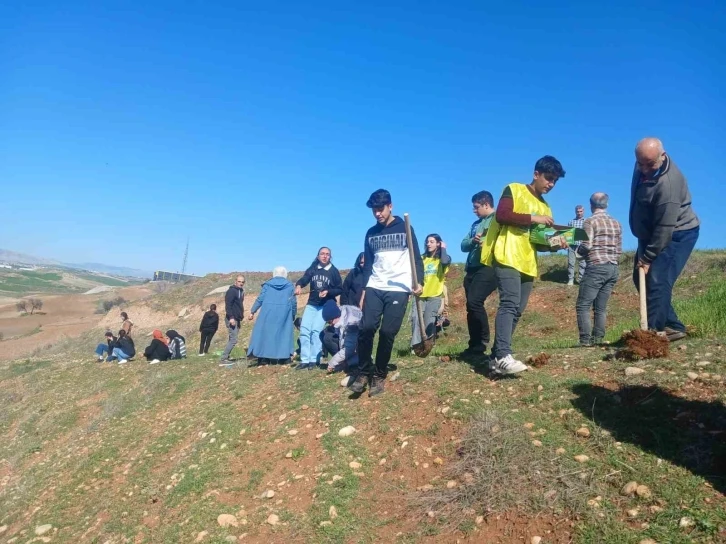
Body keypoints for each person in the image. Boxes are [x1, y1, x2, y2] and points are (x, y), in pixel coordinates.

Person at [481, 155, 568, 376]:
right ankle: (503, 355)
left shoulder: (545, 207)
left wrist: (557, 244)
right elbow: (502, 215)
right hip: (506, 255)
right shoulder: (514, 189)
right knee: (509, 303)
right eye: (548, 178)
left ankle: (494, 358)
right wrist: (534, 218)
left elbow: (540, 242)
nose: (551, 184)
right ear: (536, 174)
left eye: (555, 181)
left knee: (518, 310)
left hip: (528, 262)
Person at [349, 189, 424, 397]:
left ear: (390, 206)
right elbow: (368, 266)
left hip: (399, 288)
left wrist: (420, 282)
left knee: (387, 332)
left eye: (380, 209)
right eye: (374, 210)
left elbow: (417, 258)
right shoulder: (371, 233)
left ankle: (379, 374)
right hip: (375, 285)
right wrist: (364, 290)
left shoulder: (405, 228)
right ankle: (364, 371)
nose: (377, 214)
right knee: (366, 328)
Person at [630, 137, 700, 341]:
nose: (644, 169)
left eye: (649, 164)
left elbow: (665, 227)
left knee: (658, 278)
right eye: (640, 164)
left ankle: (652, 335)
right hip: (651, 232)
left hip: (678, 233)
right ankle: (672, 325)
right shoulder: (643, 165)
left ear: (663, 156)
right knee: (639, 277)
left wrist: (648, 257)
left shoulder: (668, 184)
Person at [575, 193, 623, 346]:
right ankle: (598, 339)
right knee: (600, 308)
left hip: (596, 266)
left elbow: (587, 245)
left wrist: (577, 252)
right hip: (613, 267)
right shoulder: (617, 223)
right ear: (607, 205)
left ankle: (585, 340)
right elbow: (619, 249)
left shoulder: (590, 221)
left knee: (583, 305)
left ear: (591, 205)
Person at [460, 190, 498, 359]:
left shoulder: (499, 220)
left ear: (486, 204)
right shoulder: (475, 224)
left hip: (488, 266)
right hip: (471, 268)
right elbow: (463, 244)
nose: (474, 211)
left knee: (475, 301)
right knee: (470, 306)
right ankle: (474, 344)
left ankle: (483, 341)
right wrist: (472, 241)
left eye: (476, 207)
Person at [294, 248, 343, 369]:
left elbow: (340, 289)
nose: (325, 256)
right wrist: (299, 285)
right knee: (304, 330)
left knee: (316, 331)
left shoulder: (333, 271)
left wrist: (328, 292)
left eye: (327, 254)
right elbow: (305, 278)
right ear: (318, 256)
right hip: (312, 304)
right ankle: (304, 360)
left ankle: (314, 360)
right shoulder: (314, 268)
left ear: (330, 257)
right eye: (322, 254)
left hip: (325, 305)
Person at [247, 267, 297, 363]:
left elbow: (260, 299)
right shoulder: (290, 286)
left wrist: (253, 311)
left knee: (265, 334)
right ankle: (284, 358)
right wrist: (293, 314)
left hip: (267, 312)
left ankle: (263, 358)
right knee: (284, 334)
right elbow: (293, 302)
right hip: (284, 312)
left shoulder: (268, 285)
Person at [411, 234, 451, 347]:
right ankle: (415, 346)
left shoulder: (443, 258)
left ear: (438, 243)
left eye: (432, 241)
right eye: (427, 241)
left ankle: (427, 346)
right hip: (420, 294)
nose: (428, 244)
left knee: (429, 321)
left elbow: (444, 262)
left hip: (435, 295)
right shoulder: (422, 259)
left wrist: (443, 248)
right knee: (416, 319)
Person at [321, 299, 362, 373]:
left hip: (359, 349)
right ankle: (343, 362)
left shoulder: (351, 324)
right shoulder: (340, 311)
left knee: (359, 356)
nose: (330, 324)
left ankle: (346, 363)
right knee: (324, 334)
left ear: (336, 316)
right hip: (350, 344)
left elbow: (349, 349)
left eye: (330, 322)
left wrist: (332, 363)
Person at [220, 275, 245, 365]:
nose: (241, 283)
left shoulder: (241, 292)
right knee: (233, 339)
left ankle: (226, 356)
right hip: (232, 318)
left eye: (242, 282)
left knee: (232, 338)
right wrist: (231, 318)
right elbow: (228, 305)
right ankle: (223, 358)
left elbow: (239, 305)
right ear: (235, 281)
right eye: (239, 281)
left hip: (237, 318)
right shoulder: (231, 291)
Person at [567, 205, 587, 286]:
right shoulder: (571, 222)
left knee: (582, 263)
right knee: (571, 263)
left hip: (581, 245)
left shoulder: (586, 221)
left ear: (583, 211)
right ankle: (570, 279)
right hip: (572, 245)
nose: (579, 213)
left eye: (580, 211)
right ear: (575, 212)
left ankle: (581, 279)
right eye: (577, 211)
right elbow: (568, 233)